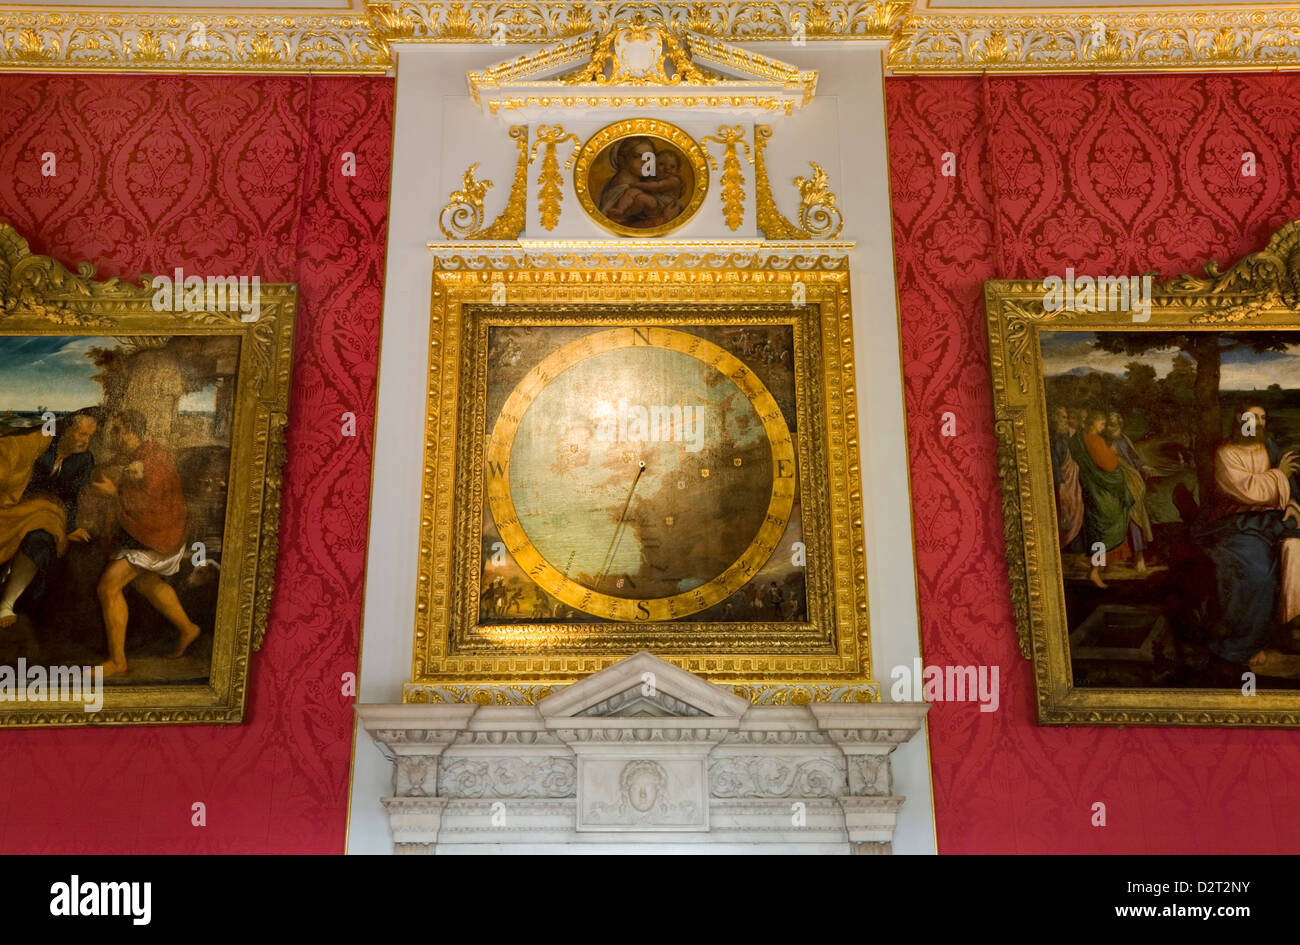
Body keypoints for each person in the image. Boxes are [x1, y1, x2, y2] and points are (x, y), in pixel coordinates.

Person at [1193, 404, 1300, 665]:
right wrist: (1279, 476)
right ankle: (1243, 644)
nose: (1260, 424)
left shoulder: (1269, 447)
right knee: (1257, 571)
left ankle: (1291, 626)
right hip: (1235, 523)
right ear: (1240, 421)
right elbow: (1247, 491)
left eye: (1263, 418)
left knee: (1295, 549)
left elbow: (1291, 486)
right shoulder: (1226, 454)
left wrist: (1292, 504)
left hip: (1271, 519)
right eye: (1253, 418)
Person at [93, 410, 198, 676]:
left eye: (116, 430)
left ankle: (118, 661)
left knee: (108, 588)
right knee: (146, 582)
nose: (113, 436)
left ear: (128, 429)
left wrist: (114, 492)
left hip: (157, 530)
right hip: (147, 531)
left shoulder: (154, 456)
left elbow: (149, 501)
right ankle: (188, 628)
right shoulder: (139, 454)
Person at [0, 411, 99, 627]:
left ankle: (7, 603)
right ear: (67, 429)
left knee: (41, 540)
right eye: (81, 433)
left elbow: (73, 497)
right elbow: (13, 474)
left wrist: (70, 526)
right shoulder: (41, 445)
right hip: (13, 507)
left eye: (89, 436)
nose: (85, 440)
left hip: (46, 514)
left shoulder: (84, 460)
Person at [1069, 410, 1134, 588]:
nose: (1103, 427)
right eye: (1101, 423)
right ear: (1094, 423)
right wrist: (1112, 453)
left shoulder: (1078, 439)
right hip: (1100, 492)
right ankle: (1094, 571)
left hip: (1090, 489)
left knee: (1098, 530)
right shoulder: (1095, 440)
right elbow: (1109, 465)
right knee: (1105, 529)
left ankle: (1099, 568)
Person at [1106, 411, 1153, 572]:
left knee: (1135, 520)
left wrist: (1143, 467)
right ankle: (1116, 560)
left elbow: (1135, 459)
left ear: (1120, 426)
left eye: (1113, 424)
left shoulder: (1125, 440)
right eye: (1108, 424)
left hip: (1131, 483)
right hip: (1113, 485)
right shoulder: (1104, 442)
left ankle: (1139, 558)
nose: (1110, 427)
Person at [1049, 406, 1083, 552]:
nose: (1066, 420)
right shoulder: (1056, 438)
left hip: (1073, 480)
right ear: (1055, 419)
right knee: (1068, 510)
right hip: (1064, 480)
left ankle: (1076, 554)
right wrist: (1061, 483)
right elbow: (1055, 462)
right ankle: (1068, 550)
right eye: (1062, 417)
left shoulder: (1066, 436)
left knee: (1077, 510)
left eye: (1066, 417)